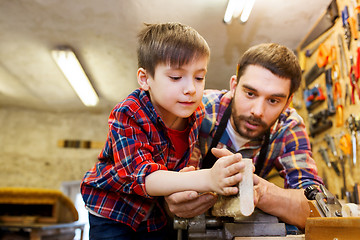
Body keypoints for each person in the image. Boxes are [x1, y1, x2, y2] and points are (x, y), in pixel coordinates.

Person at [80, 22, 245, 240]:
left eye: (199, 77)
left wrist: (190, 177)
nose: (191, 89)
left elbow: (186, 161)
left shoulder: (196, 113)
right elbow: (143, 177)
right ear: (145, 79)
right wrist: (207, 178)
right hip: (113, 211)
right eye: (176, 77)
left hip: (155, 214)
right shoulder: (128, 112)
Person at [165, 43, 324, 231]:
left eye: (273, 100)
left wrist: (261, 192)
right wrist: (174, 197)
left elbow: (316, 208)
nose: (257, 111)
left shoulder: (288, 127)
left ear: (288, 102)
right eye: (250, 93)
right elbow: (170, 185)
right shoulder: (199, 110)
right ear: (234, 86)